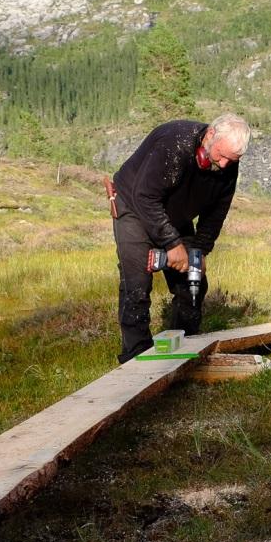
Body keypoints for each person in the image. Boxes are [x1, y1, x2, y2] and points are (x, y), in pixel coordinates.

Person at [110, 113, 251, 363]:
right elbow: (145, 197)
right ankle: (135, 359)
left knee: (194, 280)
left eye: (233, 159)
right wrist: (173, 244)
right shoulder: (175, 144)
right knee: (137, 286)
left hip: (175, 213)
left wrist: (201, 250)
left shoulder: (228, 164)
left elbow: (216, 213)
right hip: (134, 206)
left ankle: (182, 349)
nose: (226, 164)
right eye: (222, 156)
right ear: (209, 136)